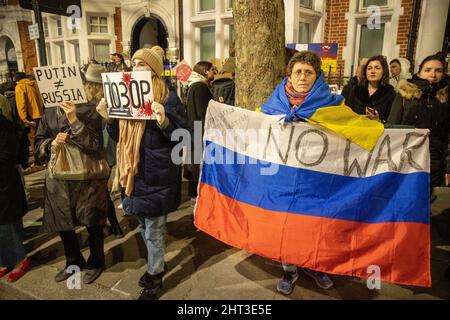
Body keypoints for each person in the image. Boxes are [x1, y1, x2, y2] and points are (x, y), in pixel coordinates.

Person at [99, 46, 190, 300]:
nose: (136, 68)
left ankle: (155, 277)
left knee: (153, 230)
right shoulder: (126, 97)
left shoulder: (168, 98)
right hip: (135, 175)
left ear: (154, 71)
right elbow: (119, 138)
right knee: (142, 225)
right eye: (134, 63)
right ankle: (157, 262)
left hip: (158, 176)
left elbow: (185, 141)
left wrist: (166, 123)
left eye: (143, 64)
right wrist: (108, 120)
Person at [260, 51, 336, 295]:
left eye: (309, 72)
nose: (303, 77)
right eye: (298, 72)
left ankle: (316, 265)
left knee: (315, 224)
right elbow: (257, 128)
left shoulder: (333, 104)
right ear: (289, 75)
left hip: (317, 179)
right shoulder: (274, 105)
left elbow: (351, 131)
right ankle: (289, 269)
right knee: (288, 225)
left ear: (317, 76)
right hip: (283, 177)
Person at [35, 64, 109, 285]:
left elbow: (95, 144)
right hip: (58, 178)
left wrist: (74, 121)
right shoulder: (48, 112)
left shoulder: (90, 109)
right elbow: (38, 142)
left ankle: (96, 261)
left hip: (86, 178)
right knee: (63, 223)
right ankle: (73, 261)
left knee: (92, 222)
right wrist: (50, 143)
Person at [387, 53, 449, 196]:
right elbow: (392, 126)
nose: (433, 74)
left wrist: (447, 167)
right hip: (405, 157)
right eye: (428, 70)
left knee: (425, 200)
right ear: (419, 72)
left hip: (433, 161)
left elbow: (447, 135)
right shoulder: (405, 93)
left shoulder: (446, 97)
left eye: (438, 70)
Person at [0, 113, 29, 282]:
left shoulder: (4, 125)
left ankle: (20, 260)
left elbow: (7, 155)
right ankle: (5, 261)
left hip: (5, 183)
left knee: (8, 225)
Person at [184, 61, 216, 203]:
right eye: (211, 70)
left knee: (194, 165)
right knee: (199, 168)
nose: (214, 72)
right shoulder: (200, 87)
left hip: (194, 133)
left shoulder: (193, 86)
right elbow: (204, 114)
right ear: (205, 71)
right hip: (200, 134)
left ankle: (194, 197)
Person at [345, 55, 396, 123]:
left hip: (379, 131)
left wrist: (378, 120)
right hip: (357, 129)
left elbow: (391, 120)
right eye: (369, 68)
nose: (372, 71)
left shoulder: (390, 92)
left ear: (384, 71)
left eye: (377, 68)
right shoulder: (356, 89)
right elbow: (348, 114)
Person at [14, 72, 44, 159]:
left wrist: (24, 119)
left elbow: (21, 105)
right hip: (40, 114)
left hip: (30, 117)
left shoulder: (20, 87)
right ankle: (43, 158)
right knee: (40, 136)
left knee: (33, 139)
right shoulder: (34, 84)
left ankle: (38, 161)